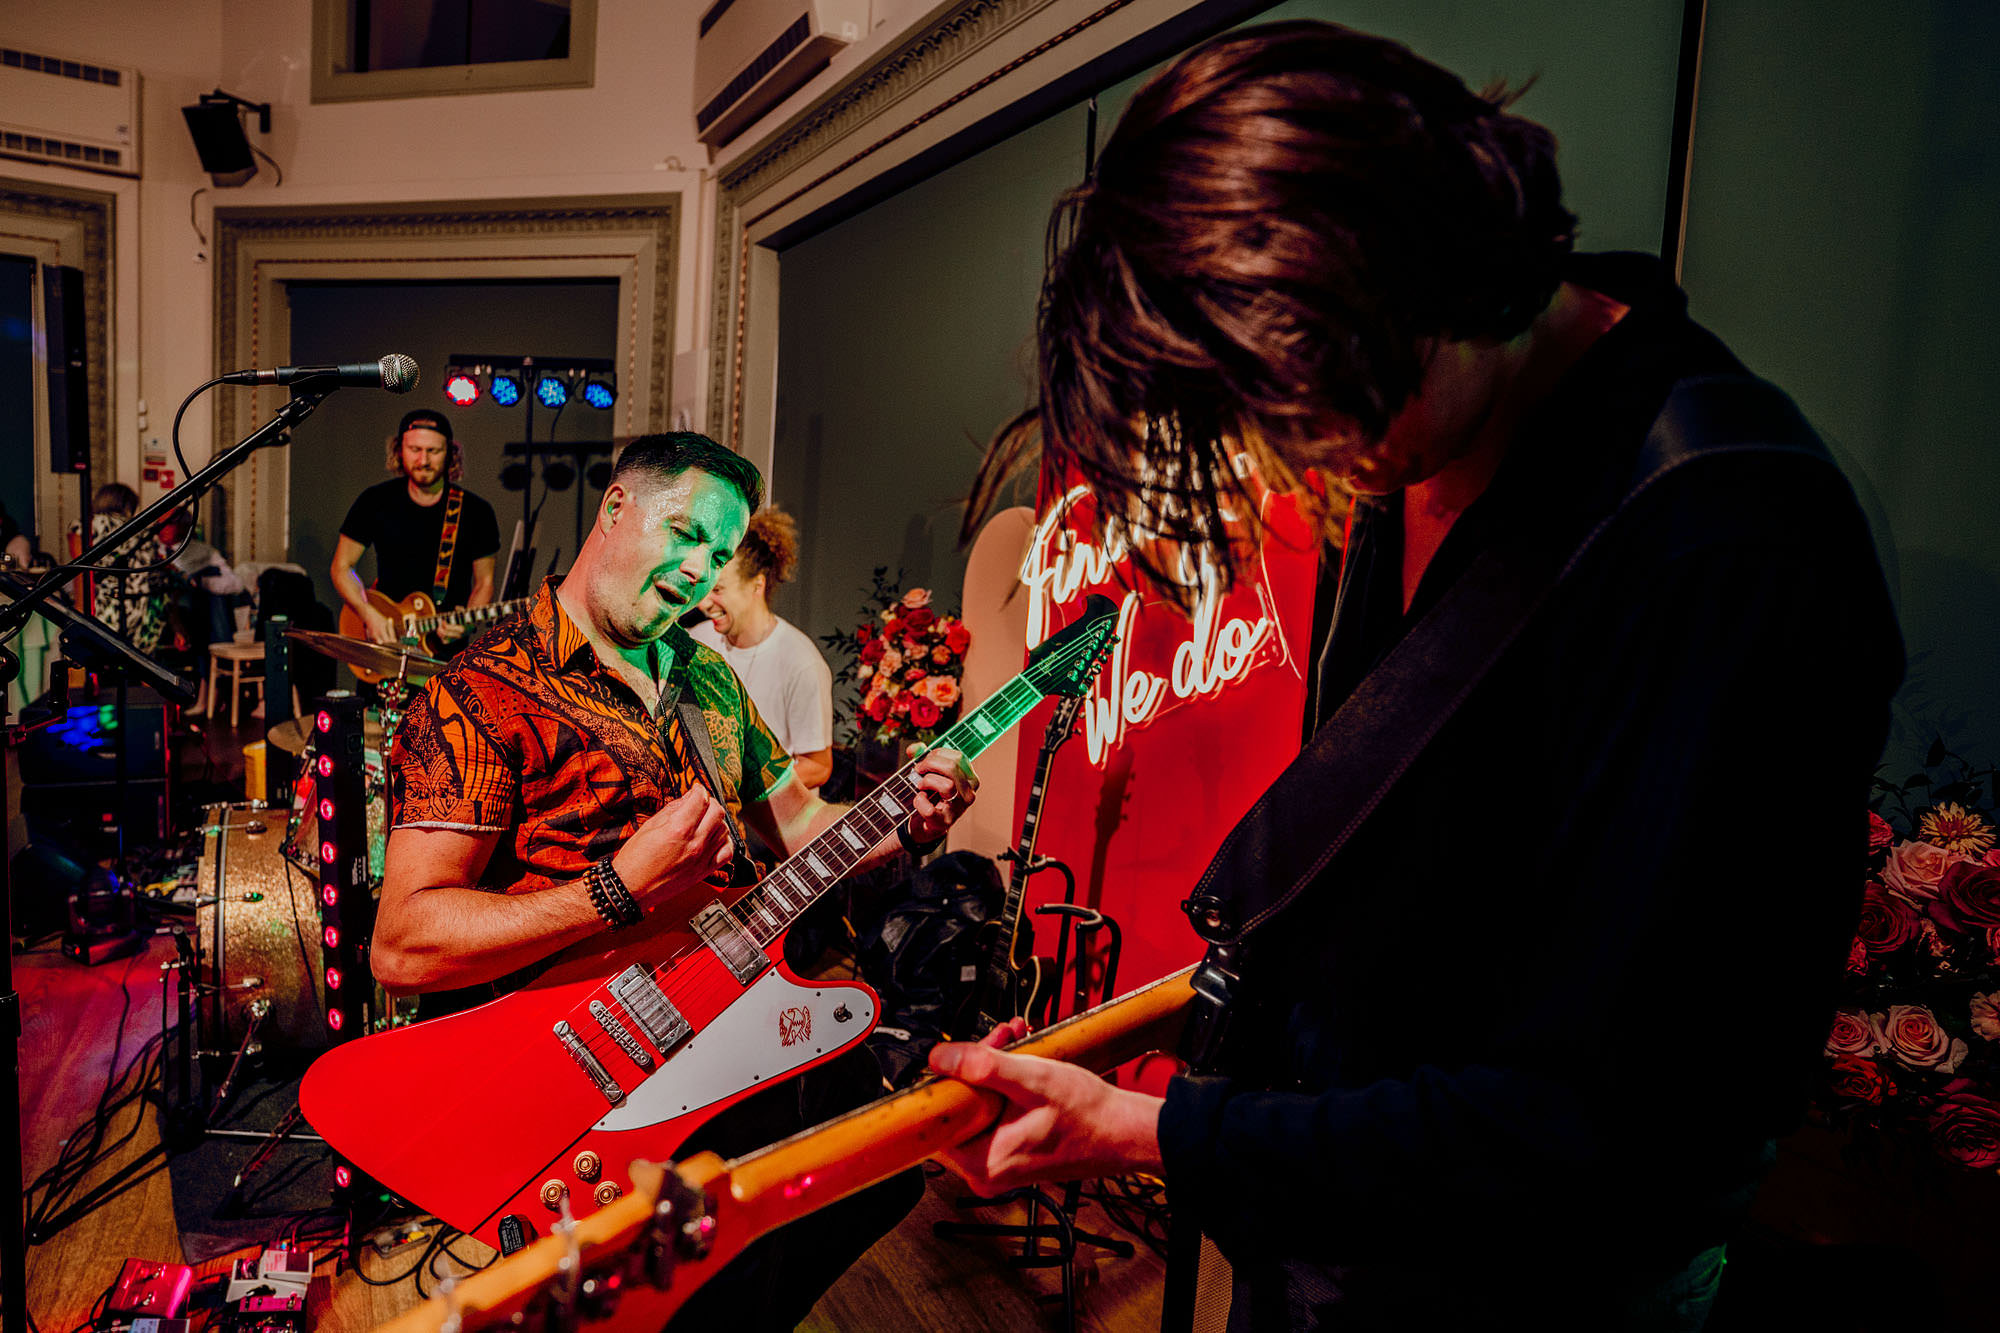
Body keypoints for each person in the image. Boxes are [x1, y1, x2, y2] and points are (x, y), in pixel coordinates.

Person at [934, 21, 1903, 1331]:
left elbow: (1604, 1125)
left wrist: (1158, 1132)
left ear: (1431, 276)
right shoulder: (1431, 433)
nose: (1283, 463)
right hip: (1348, 1239)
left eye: (1298, 411)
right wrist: (1117, 1084)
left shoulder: (1722, 540)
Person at [371, 431, 981, 1330]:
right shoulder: (483, 690)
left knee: (866, 1183)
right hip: (586, 1084)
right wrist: (614, 889)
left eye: (718, 553)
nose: (701, 571)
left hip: (732, 1043)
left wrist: (911, 819)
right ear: (616, 508)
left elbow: (805, 830)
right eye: (685, 532)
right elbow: (404, 941)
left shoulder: (709, 683)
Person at [691, 507, 836, 789]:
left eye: (718, 590)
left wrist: (746, 793)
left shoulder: (800, 661)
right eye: (705, 587)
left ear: (757, 585)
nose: (703, 603)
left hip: (771, 831)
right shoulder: (697, 642)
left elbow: (818, 767)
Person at [331, 408, 499, 650]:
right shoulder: (375, 501)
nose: (423, 460)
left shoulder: (476, 511)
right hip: (385, 643)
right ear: (399, 450)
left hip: (445, 653)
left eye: (433, 451)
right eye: (415, 450)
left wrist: (467, 623)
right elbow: (342, 567)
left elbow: (485, 582)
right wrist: (367, 613)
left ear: (451, 454)